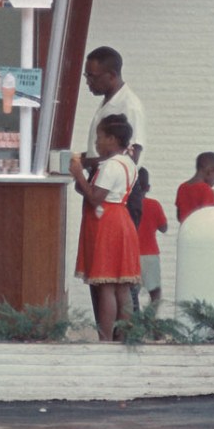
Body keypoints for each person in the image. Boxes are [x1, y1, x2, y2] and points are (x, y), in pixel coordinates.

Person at [69, 114, 142, 342]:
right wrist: (83, 181)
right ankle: (126, 336)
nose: (96, 143)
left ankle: (105, 338)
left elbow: (95, 198)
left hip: (107, 223)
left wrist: (78, 174)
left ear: (111, 139)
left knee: (107, 285)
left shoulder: (111, 166)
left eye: (100, 137)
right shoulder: (128, 163)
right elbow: (94, 191)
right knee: (122, 286)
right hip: (121, 219)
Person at [81, 46, 146, 172]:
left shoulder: (130, 106)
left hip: (116, 189)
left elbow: (131, 158)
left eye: (92, 76)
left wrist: (85, 163)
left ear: (111, 75)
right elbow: (101, 153)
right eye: (86, 76)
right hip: (101, 183)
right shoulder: (108, 102)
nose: (88, 82)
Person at [131, 167, 168, 314]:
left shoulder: (127, 205)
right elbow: (164, 227)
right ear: (148, 187)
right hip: (150, 254)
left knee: (132, 292)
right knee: (155, 291)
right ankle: (152, 322)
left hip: (131, 254)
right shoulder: (154, 205)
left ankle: (134, 321)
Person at [175, 151, 214, 223]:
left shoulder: (182, 187)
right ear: (209, 172)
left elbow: (179, 217)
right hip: (201, 231)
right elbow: (209, 216)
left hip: (185, 231)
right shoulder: (206, 190)